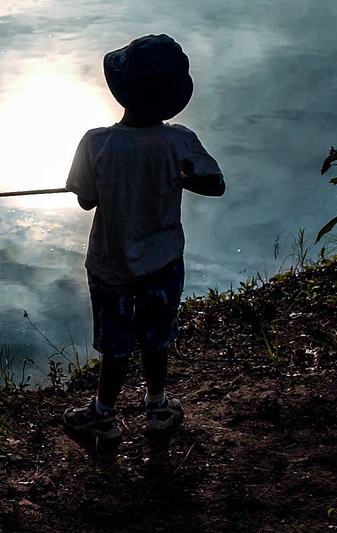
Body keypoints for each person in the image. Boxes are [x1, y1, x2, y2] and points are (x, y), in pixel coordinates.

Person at [62, 33, 225, 442]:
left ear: (123, 91)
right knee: (156, 337)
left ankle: (105, 414)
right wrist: (182, 177)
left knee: (115, 343)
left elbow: (86, 201)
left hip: (111, 262)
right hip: (163, 260)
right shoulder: (179, 140)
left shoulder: (97, 143)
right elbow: (215, 184)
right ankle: (156, 406)